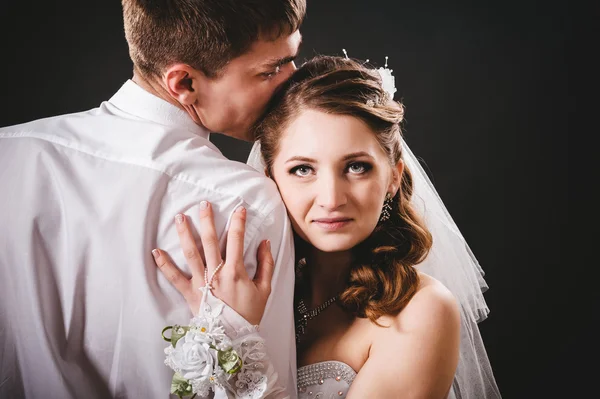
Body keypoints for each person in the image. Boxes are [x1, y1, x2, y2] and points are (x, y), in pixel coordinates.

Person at [0, 0, 306, 397]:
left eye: (291, 59)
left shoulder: (9, 151)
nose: (293, 81)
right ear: (184, 84)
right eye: (270, 70)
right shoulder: (243, 204)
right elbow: (263, 383)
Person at [154, 55, 500, 398]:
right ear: (269, 178)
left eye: (357, 167)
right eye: (303, 169)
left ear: (393, 178)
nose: (331, 199)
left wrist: (233, 340)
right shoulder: (258, 287)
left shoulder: (422, 308)